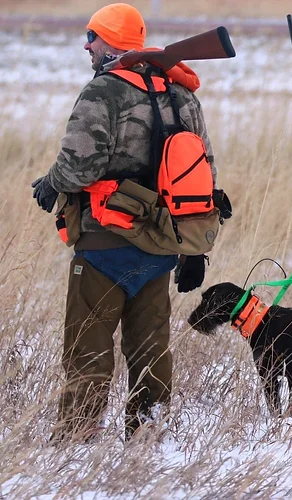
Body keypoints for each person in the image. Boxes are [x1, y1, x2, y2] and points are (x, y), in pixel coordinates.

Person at [31, 3, 217, 441]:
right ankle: (149, 435)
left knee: (87, 349)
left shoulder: (104, 92)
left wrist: (49, 182)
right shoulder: (181, 94)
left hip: (105, 242)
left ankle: (76, 438)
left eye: (92, 36)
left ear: (109, 41)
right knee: (151, 348)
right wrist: (195, 250)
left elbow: (78, 167)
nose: (86, 44)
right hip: (162, 246)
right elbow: (204, 173)